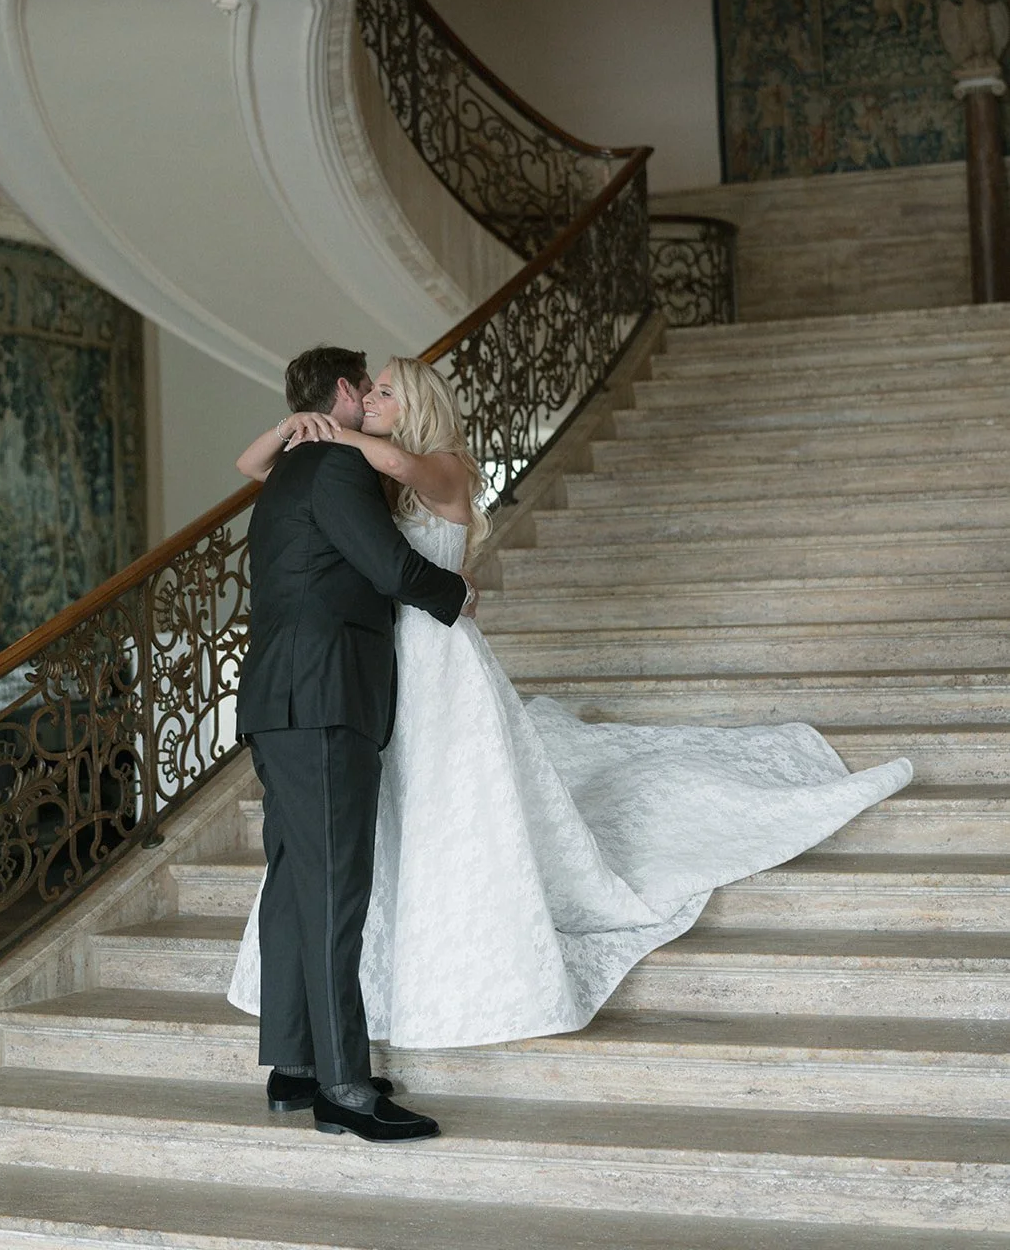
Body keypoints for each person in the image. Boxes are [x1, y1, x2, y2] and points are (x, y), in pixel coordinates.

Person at [229, 355, 912, 1055]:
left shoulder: (441, 464)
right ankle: (344, 1031)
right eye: (367, 389)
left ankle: (345, 1048)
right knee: (382, 827)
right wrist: (295, 428)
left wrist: (335, 436)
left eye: (384, 392)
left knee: (444, 804)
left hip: (432, 656)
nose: (371, 399)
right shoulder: (356, 473)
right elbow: (257, 470)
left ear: (416, 405)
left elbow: (402, 481)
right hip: (377, 664)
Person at [234, 345, 474, 1145]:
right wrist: (457, 596)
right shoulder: (331, 470)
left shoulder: (290, 472)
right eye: (364, 386)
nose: (370, 397)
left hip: (279, 698)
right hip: (325, 698)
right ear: (343, 391)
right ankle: (343, 1084)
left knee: (296, 882)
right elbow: (388, 567)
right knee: (335, 889)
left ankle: (295, 1066)